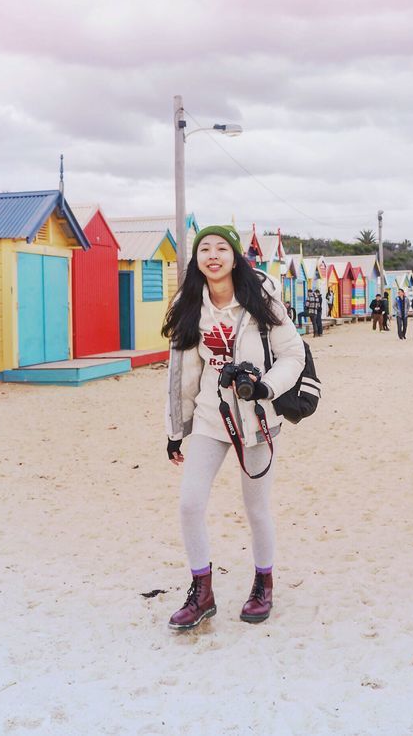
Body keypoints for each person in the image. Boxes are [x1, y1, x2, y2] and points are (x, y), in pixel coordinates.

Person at [162, 225, 307, 630]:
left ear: (235, 256)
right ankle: (202, 592)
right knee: (190, 503)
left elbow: (293, 354)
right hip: (211, 418)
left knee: (256, 507)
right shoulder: (191, 303)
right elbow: (184, 373)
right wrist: (177, 428)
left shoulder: (261, 299)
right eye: (204, 248)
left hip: (257, 419)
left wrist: (265, 386)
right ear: (197, 259)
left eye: (221, 248)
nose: (212, 255)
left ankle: (263, 583)